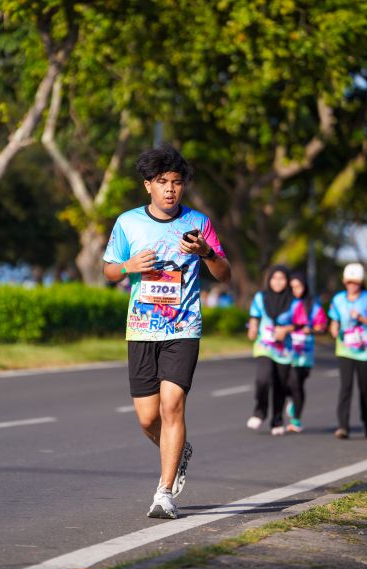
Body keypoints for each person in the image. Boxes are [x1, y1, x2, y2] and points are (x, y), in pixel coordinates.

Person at [103, 143, 231, 519]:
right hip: (142, 329)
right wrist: (128, 267)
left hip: (183, 327)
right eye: (162, 182)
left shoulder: (199, 223)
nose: (170, 189)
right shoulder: (128, 223)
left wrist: (207, 253)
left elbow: (225, 274)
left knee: (172, 405)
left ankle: (164, 492)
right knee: (147, 418)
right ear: (148, 185)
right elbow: (108, 271)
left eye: (176, 182)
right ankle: (179, 450)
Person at [246, 265, 306, 435]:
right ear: (269, 280)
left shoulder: (294, 302)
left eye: (282, 279)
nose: (278, 282)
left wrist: (285, 330)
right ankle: (260, 411)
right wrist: (252, 328)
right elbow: (254, 316)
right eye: (274, 278)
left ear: (287, 281)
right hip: (264, 346)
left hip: (284, 350)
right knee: (262, 379)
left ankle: (277, 420)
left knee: (280, 385)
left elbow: (300, 323)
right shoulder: (261, 297)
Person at [329, 263, 367, 439]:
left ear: (361, 282)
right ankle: (343, 426)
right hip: (344, 349)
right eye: (349, 282)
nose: (352, 285)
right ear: (344, 282)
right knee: (345, 387)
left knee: (364, 388)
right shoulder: (338, 299)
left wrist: (360, 317)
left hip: (366, 351)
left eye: (356, 282)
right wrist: (334, 329)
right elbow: (334, 320)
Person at [285, 272, 328, 433]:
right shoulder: (285, 303)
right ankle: (291, 399)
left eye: (299, 287)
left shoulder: (312, 305)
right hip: (286, 349)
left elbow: (322, 326)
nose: (296, 290)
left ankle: (296, 419)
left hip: (304, 351)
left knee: (298, 384)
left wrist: (313, 330)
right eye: (293, 287)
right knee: (285, 382)